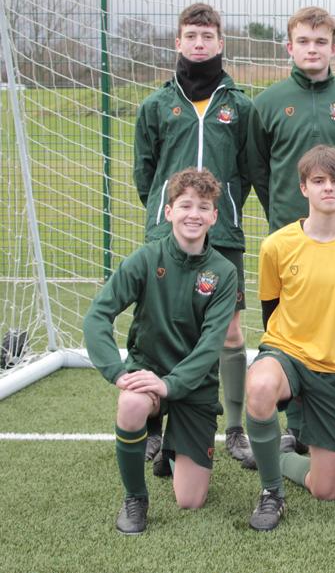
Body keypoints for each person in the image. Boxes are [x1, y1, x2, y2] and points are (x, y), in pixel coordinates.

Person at [248, 6, 335, 463]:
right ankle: (296, 426)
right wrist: (284, 212)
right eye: (303, 41)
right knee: (291, 332)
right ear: (289, 46)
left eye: (321, 42)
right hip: (291, 234)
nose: (312, 49)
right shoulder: (266, 103)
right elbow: (259, 169)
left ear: (334, 48)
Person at [133, 2, 255, 469]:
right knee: (161, 331)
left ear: (220, 44)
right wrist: (172, 214)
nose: (199, 44)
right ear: (178, 42)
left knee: (228, 331)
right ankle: (153, 427)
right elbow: (146, 174)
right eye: (191, 36)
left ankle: (237, 428)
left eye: (208, 37)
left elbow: (249, 171)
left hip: (222, 237)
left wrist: (217, 215)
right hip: (167, 236)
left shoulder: (239, 106)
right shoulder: (156, 106)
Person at [83, 168, 238, 535]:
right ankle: (135, 497)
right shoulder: (145, 259)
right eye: (185, 205)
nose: (193, 214)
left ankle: (171, 448)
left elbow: (210, 345)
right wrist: (118, 372)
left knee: (190, 500)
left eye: (203, 207)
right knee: (132, 404)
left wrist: (169, 385)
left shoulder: (224, 272)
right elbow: (97, 317)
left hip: (193, 386)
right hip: (147, 369)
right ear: (168, 211)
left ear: (214, 216)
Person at [243, 145, 335, 532]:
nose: (328, 189)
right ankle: (271, 493)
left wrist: (330, 345)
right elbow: (270, 311)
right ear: (303, 187)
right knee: (259, 386)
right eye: (318, 181)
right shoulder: (276, 245)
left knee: (326, 489)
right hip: (286, 352)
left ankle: (273, 454)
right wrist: (294, 348)